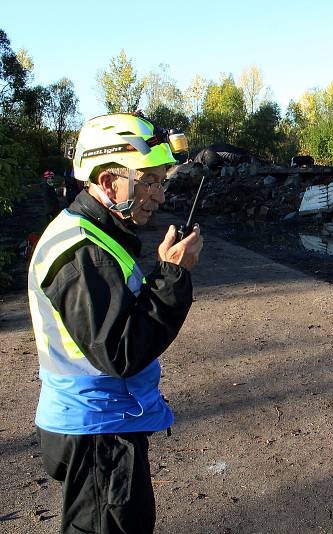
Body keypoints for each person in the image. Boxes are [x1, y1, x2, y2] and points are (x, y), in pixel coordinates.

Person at [28, 113, 203, 534]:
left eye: (162, 181)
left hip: (101, 421)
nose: (160, 196)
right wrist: (172, 278)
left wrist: (164, 273)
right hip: (96, 431)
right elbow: (121, 351)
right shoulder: (82, 253)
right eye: (151, 181)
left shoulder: (95, 234)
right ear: (109, 183)